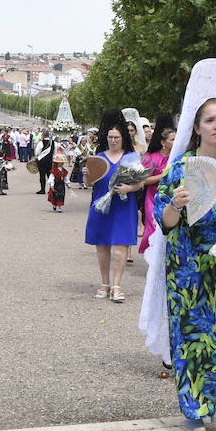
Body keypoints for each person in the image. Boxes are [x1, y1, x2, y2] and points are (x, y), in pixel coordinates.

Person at [141, 60, 216, 431]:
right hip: (187, 265)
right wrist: (176, 204)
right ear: (196, 127)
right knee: (194, 336)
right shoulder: (179, 168)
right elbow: (164, 222)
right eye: (209, 120)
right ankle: (195, 407)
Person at [84, 109, 142, 302]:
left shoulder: (132, 157)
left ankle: (117, 285)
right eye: (110, 137)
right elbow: (89, 184)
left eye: (116, 137)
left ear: (123, 138)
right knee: (102, 245)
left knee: (120, 244)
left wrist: (129, 187)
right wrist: (86, 174)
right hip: (101, 205)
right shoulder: (99, 156)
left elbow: (141, 182)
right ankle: (104, 284)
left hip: (124, 206)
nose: (113, 140)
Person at [138, 125, 174, 253]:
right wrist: (163, 175)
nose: (174, 142)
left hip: (171, 199)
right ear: (163, 142)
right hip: (152, 197)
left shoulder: (177, 158)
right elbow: (143, 180)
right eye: (172, 140)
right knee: (153, 228)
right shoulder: (152, 157)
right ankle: (152, 257)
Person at [34, 129, 54, 194]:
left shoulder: (40, 142)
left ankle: (42, 189)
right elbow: (55, 152)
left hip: (42, 161)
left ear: (43, 136)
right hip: (49, 161)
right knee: (50, 176)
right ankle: (51, 189)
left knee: (42, 176)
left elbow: (37, 152)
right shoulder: (53, 142)